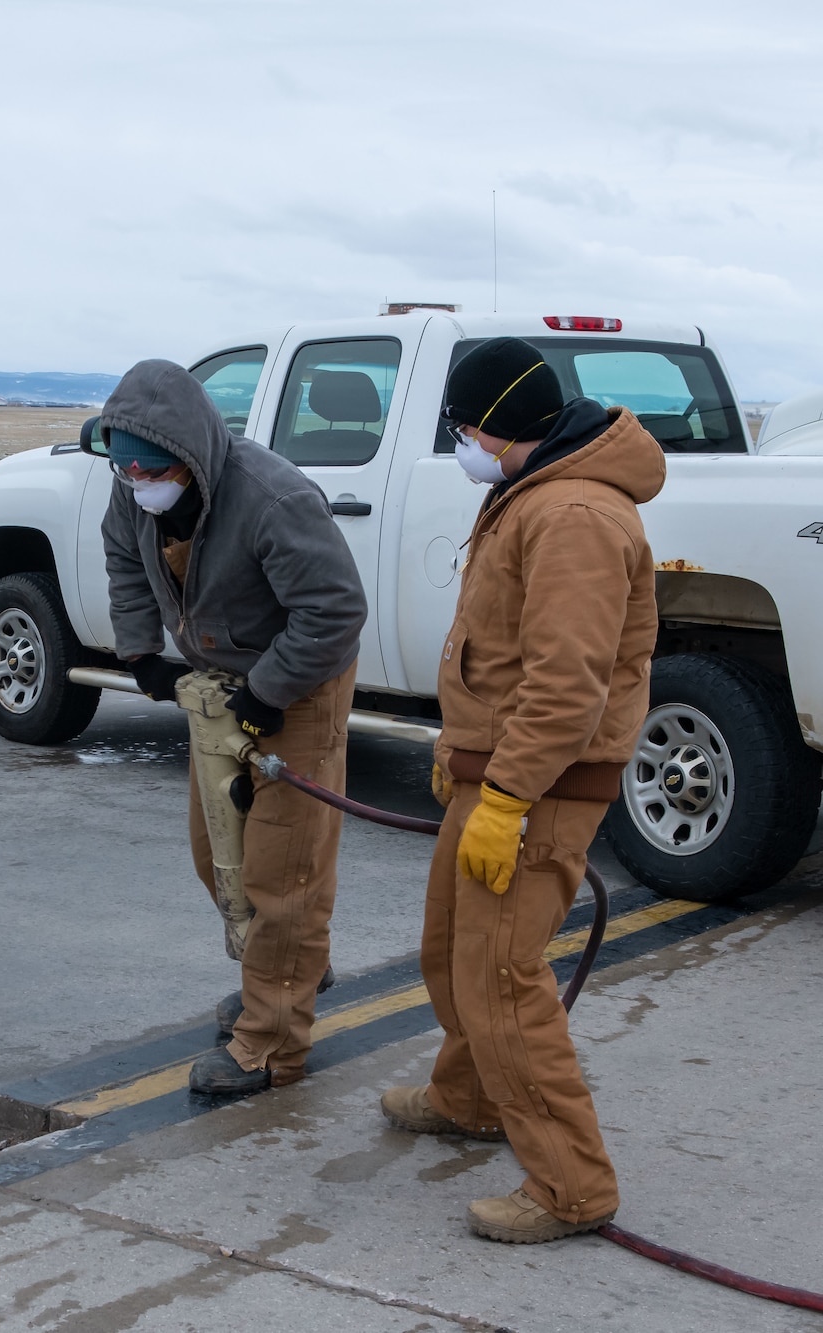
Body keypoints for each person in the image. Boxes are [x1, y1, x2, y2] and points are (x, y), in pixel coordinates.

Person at [383, 337, 663, 1243]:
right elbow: (501, 656)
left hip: (537, 787)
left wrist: (504, 797)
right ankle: (467, 1097)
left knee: (503, 980)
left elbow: (566, 684)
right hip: (497, 770)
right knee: (449, 950)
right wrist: (460, 751)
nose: (461, 443)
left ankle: (572, 1186)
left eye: (464, 427)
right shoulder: (533, 490)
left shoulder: (574, 513)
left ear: (496, 425)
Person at [100, 359, 367, 1096]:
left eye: (152, 471)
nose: (138, 485)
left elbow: (335, 611)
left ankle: (269, 1040)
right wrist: (140, 652)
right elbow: (125, 559)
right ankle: (288, 966)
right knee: (219, 853)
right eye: (127, 472)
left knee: (284, 868)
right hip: (217, 680)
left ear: (190, 457)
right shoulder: (135, 496)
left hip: (297, 679)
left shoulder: (272, 498)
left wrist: (272, 691)